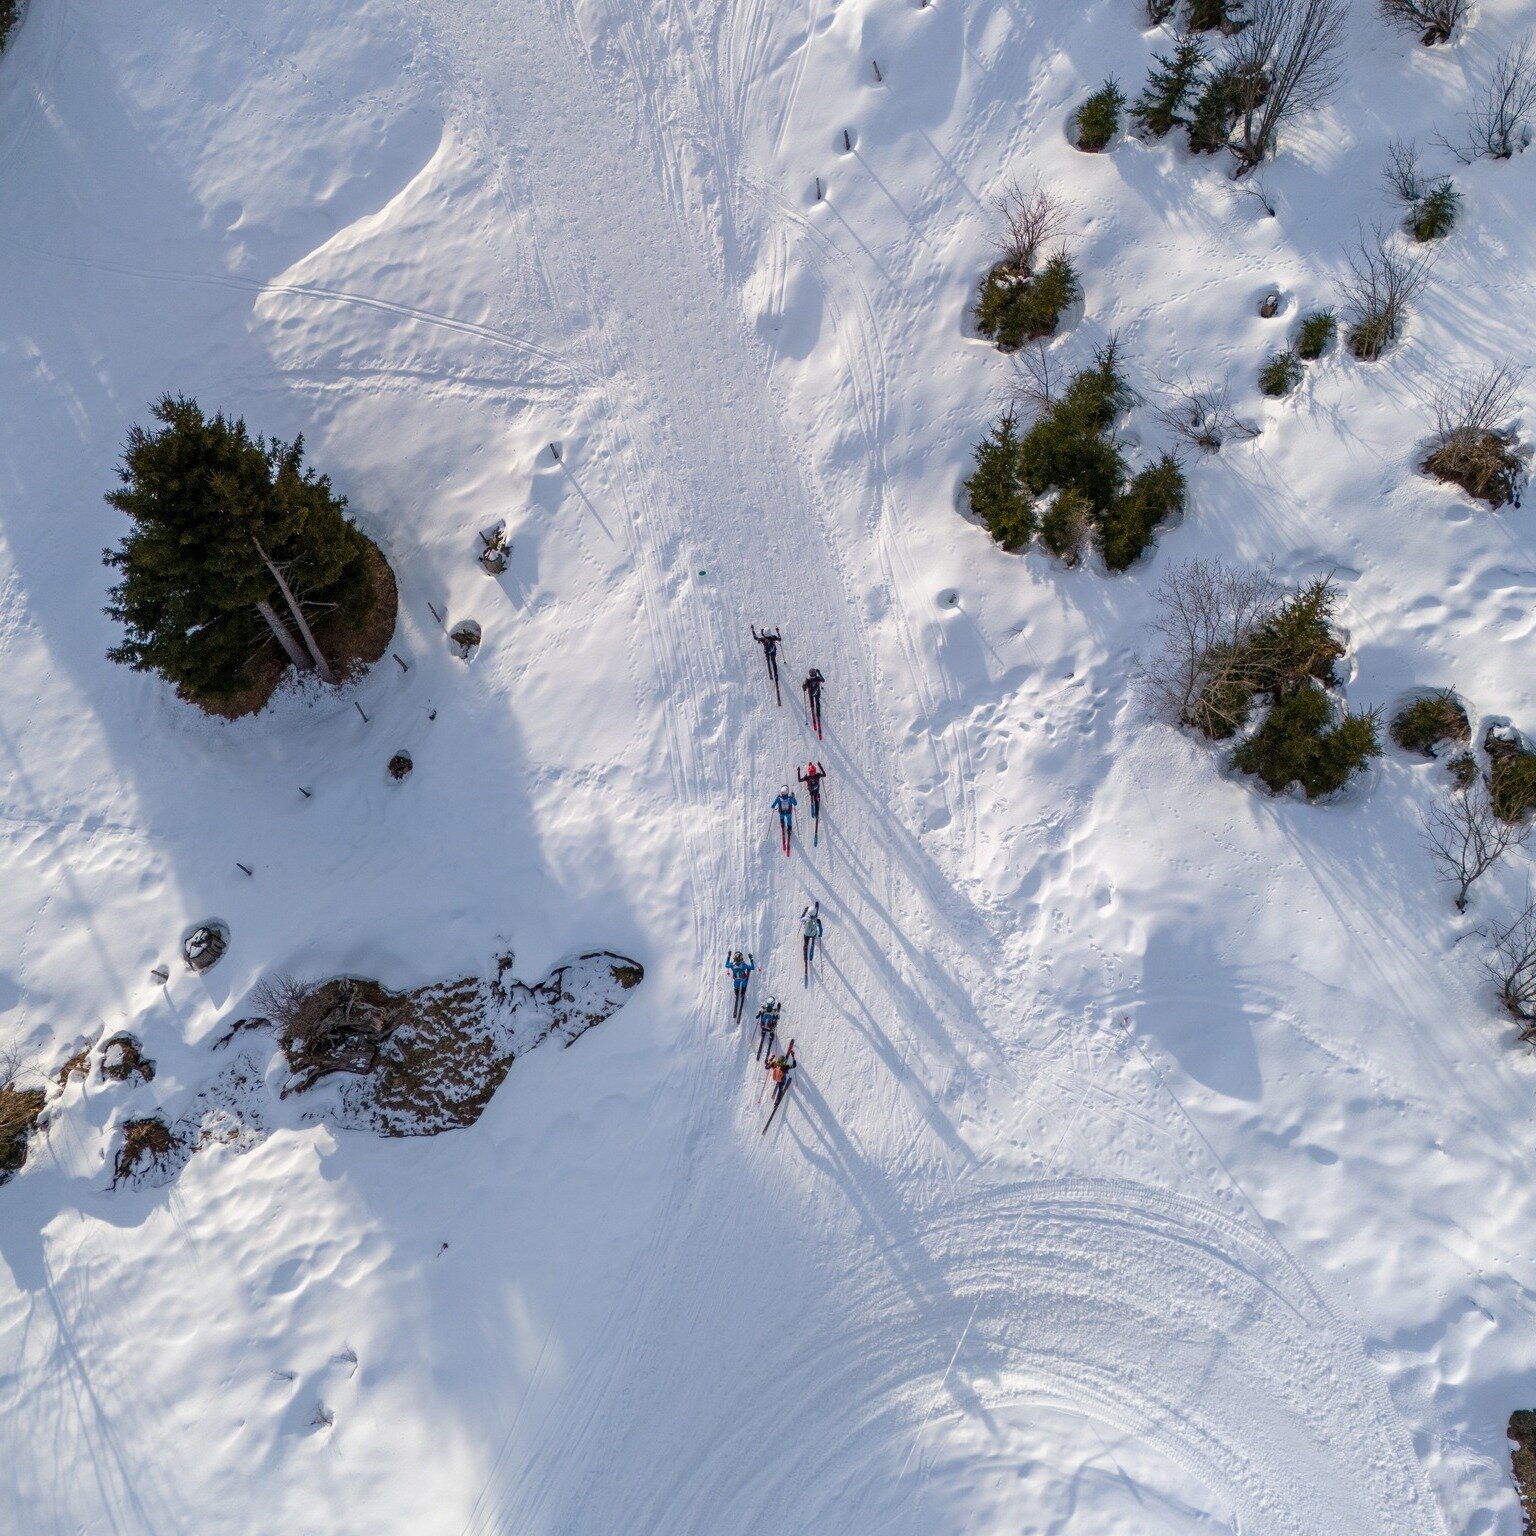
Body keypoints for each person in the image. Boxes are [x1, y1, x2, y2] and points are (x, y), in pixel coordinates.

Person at [751, 626, 784, 704]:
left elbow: (755, 638)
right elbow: (779, 638)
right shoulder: (773, 637)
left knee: (768, 660)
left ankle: (770, 671)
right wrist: (778, 631)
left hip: (767, 652)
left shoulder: (763, 639)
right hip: (773, 652)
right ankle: (775, 676)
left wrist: (753, 630)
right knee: (774, 662)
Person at [725, 949, 755, 1022]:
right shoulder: (744, 965)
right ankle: (742, 993)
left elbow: (726, 965)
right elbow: (752, 967)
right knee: (744, 984)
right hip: (743, 979)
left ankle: (737, 992)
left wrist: (728, 956)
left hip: (736, 980)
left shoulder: (732, 965)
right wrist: (751, 959)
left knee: (736, 986)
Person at [771, 784, 797, 856]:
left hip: (781, 813)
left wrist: (774, 807)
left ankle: (782, 826)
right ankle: (789, 831)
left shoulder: (779, 798)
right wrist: (793, 797)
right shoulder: (790, 798)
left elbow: (772, 806)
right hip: (788, 813)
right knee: (789, 821)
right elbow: (795, 803)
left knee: (782, 818)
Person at [801, 901, 823, 982]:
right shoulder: (818, 920)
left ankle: (805, 958)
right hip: (813, 934)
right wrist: (820, 934)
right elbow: (820, 929)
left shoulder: (806, 918)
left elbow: (801, 919)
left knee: (805, 945)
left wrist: (804, 911)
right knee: (812, 945)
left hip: (806, 934)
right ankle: (811, 957)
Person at [755, 995, 781, 1060]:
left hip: (762, 1026)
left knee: (764, 1019)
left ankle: (763, 1031)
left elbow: (759, 1014)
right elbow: (778, 1017)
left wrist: (758, 1015)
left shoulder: (764, 1009)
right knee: (774, 1022)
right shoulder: (774, 1011)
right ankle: (771, 1034)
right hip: (769, 1027)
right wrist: (777, 1015)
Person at [802, 667, 825, 736]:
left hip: (815, 694)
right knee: (815, 703)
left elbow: (823, 680)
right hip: (813, 694)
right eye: (812, 674)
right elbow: (805, 687)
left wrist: (819, 673)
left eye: (814, 674)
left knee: (817, 703)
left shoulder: (816, 679)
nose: (813, 676)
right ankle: (814, 711)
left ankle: (817, 714)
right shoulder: (809, 680)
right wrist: (804, 687)